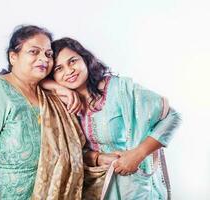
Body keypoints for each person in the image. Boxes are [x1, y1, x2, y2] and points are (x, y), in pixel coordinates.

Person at [42, 37, 181, 199]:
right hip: (94, 190)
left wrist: (138, 154)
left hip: (135, 187)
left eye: (72, 61)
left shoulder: (119, 90)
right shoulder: (62, 105)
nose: (69, 71)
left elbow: (173, 117)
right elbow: (67, 150)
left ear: (85, 59)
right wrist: (97, 158)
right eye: (59, 69)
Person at [0, 26, 85, 200]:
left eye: (48, 54)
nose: (43, 58)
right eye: (34, 52)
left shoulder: (52, 97)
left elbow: (73, 152)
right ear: (13, 57)